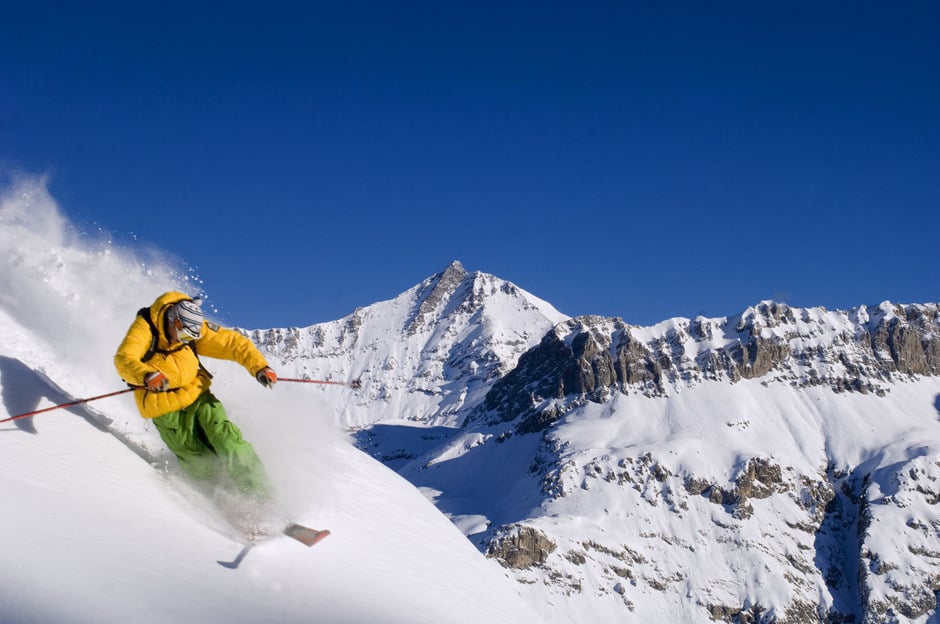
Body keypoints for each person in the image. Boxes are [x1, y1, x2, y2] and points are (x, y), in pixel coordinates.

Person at [114, 291, 278, 501]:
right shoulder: (145, 329)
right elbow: (124, 359)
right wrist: (146, 375)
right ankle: (221, 498)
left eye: (192, 338)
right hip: (163, 406)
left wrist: (260, 367)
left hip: (197, 393)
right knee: (197, 459)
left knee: (226, 439)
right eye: (185, 337)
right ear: (175, 324)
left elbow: (232, 343)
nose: (187, 342)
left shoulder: (193, 326)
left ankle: (262, 496)